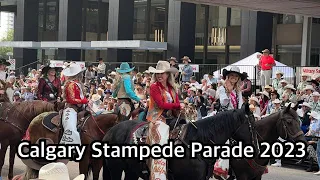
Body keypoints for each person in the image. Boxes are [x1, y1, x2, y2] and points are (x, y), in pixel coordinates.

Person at [146, 60, 180, 180]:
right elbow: (161, 104)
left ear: (168, 75)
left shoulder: (172, 88)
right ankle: (158, 174)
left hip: (172, 117)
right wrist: (177, 106)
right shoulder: (154, 87)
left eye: (163, 73)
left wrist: (180, 108)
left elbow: (177, 103)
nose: (160, 76)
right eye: (158, 73)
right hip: (157, 117)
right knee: (160, 139)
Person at [60, 63, 88, 145]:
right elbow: (72, 100)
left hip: (81, 108)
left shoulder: (79, 84)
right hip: (71, 108)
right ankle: (70, 145)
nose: (82, 75)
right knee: (70, 128)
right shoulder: (71, 84)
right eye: (81, 73)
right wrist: (84, 101)